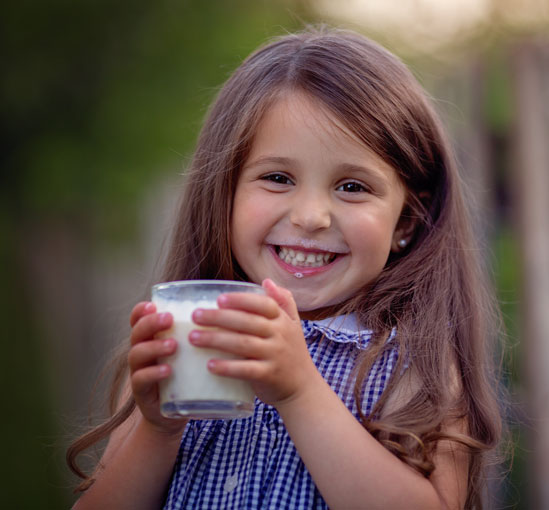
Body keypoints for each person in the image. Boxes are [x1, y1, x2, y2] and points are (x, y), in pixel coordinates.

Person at [67, 26, 503, 510]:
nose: (310, 217)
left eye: (353, 186)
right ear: (224, 194)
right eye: (277, 178)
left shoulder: (412, 363)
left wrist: (299, 392)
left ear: (406, 219)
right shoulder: (188, 340)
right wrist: (158, 429)